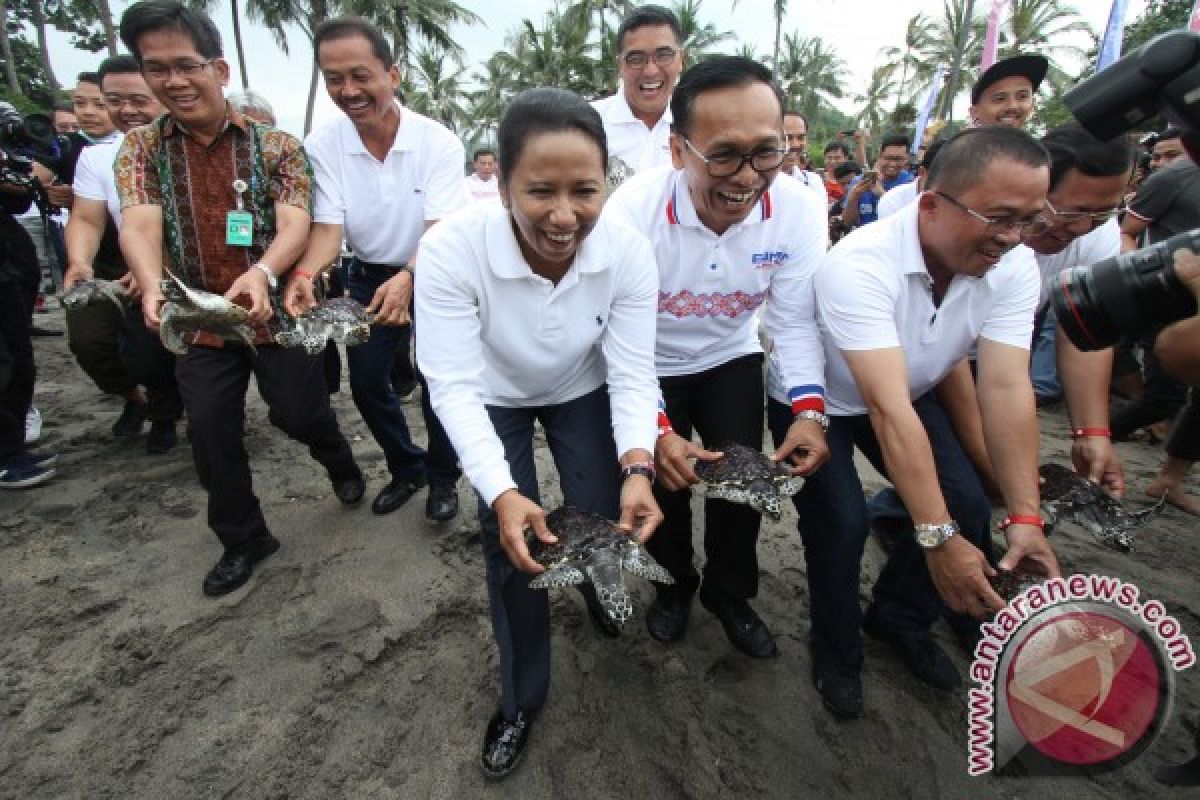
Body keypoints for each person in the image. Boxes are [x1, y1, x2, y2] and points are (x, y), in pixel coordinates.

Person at [415, 87, 662, 780]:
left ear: (605, 183)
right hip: (491, 395)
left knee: (599, 510)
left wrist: (639, 467)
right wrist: (500, 492)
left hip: (579, 387)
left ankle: (592, 583)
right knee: (515, 546)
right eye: (539, 192)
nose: (563, 215)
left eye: (584, 190)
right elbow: (453, 388)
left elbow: (635, 371)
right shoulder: (449, 250)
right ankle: (521, 699)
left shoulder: (627, 251)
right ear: (501, 188)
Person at [801, 127, 1061, 717]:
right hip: (828, 402)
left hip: (911, 389)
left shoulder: (1015, 265)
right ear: (930, 202)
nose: (1013, 238)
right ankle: (835, 650)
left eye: (1027, 219)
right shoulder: (861, 263)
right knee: (840, 525)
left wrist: (1025, 516)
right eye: (998, 217)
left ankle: (899, 617)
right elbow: (885, 407)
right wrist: (936, 536)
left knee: (967, 505)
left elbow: (1004, 385)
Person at [116, 0, 364, 596]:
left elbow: (296, 220)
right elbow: (140, 224)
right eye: (156, 69)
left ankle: (338, 459)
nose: (173, 81)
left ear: (219, 69)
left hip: (276, 312)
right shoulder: (141, 150)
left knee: (300, 414)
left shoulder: (275, 146)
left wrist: (263, 273)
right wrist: (151, 282)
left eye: (186, 65)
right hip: (202, 317)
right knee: (209, 429)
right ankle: (243, 537)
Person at [603, 56, 829, 661]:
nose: (749, 177)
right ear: (678, 150)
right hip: (647, 363)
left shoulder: (802, 209)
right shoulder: (632, 215)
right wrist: (657, 431)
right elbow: (618, 342)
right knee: (665, 485)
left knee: (743, 484)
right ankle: (673, 588)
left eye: (767, 152)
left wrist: (810, 409)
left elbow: (793, 321)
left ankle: (731, 595)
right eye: (724, 155)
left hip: (731, 356)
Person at [285, 16, 466, 522]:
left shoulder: (438, 143)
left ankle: (444, 477)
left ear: (393, 75)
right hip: (365, 275)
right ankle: (407, 467)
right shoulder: (323, 145)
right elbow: (327, 229)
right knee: (366, 383)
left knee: (439, 382)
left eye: (360, 75)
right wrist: (303, 276)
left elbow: (441, 228)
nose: (348, 90)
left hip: (439, 273)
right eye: (334, 78)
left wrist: (410, 276)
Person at [63, 54, 182, 453]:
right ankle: (136, 400)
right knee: (88, 338)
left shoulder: (189, 148)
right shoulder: (98, 157)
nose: (127, 110)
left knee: (154, 349)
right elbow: (87, 218)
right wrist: (80, 261)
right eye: (115, 100)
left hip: (179, 261)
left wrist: (156, 267)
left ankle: (166, 413)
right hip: (120, 261)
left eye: (138, 99)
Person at [591, 5, 683, 183]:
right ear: (620, 65)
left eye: (663, 55)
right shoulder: (588, 122)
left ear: (681, 60)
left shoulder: (696, 126)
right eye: (636, 58)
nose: (650, 70)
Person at [841, 132, 914, 228]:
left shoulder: (910, 184)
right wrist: (855, 196)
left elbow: (910, 222)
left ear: (906, 159)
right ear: (880, 155)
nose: (892, 164)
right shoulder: (859, 181)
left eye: (898, 159)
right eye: (888, 158)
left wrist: (883, 195)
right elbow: (847, 222)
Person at [967, 54, 1048, 128]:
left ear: (1032, 104)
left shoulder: (1036, 144)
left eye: (1022, 96)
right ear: (974, 112)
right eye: (1000, 98)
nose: (1012, 106)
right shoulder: (962, 144)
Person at [781, 110, 828, 205]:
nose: (795, 144)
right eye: (787, 138)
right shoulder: (755, 183)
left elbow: (820, 218)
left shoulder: (813, 182)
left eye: (801, 137)